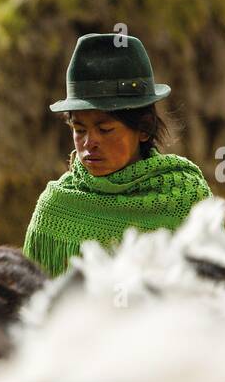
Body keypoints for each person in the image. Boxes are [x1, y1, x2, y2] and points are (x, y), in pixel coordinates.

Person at [22, 32, 212, 276]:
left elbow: (214, 294)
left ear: (143, 128)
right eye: (79, 130)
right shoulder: (56, 209)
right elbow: (30, 302)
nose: (89, 143)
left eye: (105, 129)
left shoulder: (185, 199)